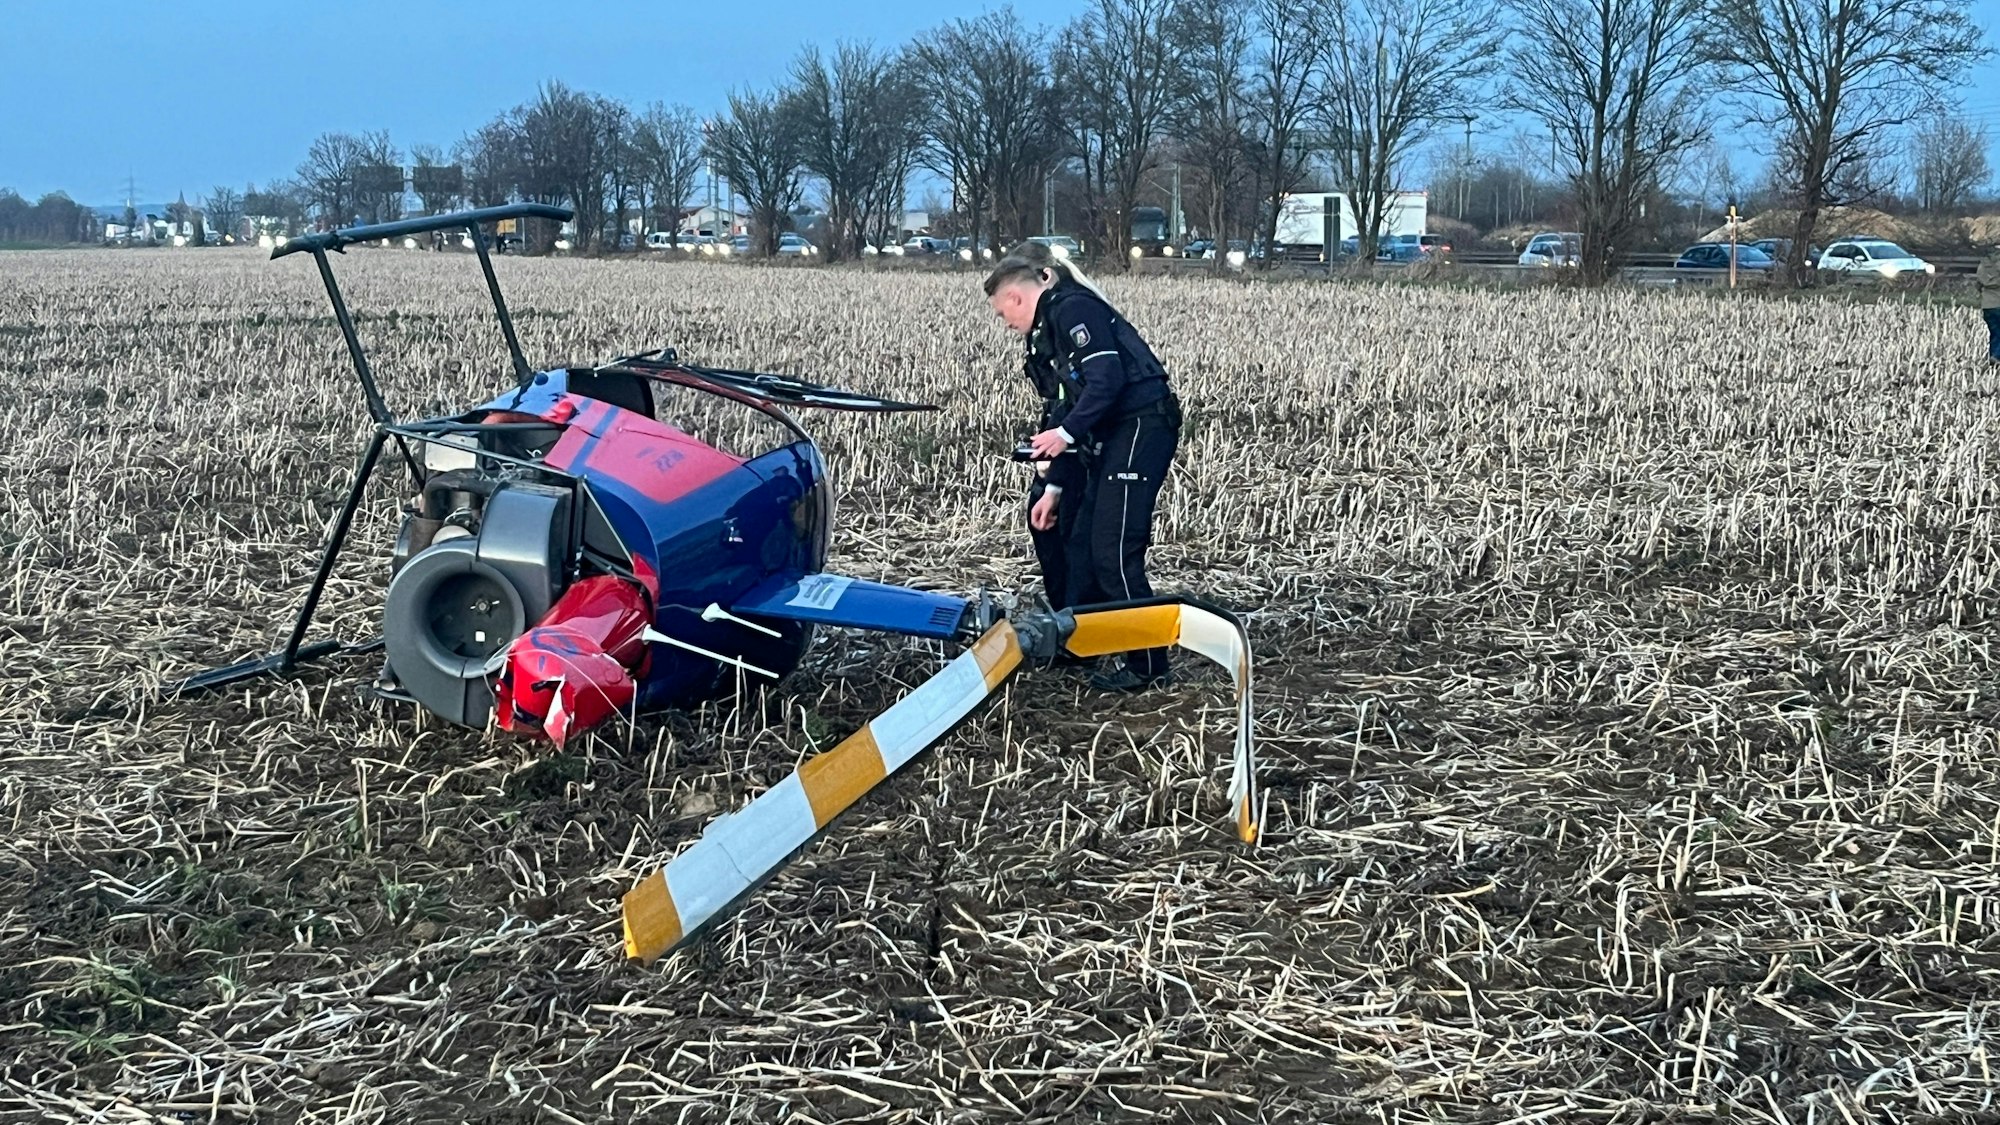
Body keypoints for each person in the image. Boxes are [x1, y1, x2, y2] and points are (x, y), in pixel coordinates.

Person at [985, 244, 1182, 691]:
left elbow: (1107, 379)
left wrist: (1065, 435)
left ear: (1016, 297)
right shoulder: (1050, 327)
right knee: (1077, 540)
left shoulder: (1073, 309)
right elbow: (1064, 404)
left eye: (1003, 314)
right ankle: (1084, 641)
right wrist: (1053, 486)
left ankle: (1148, 666)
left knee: (1113, 551)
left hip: (1141, 429)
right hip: (1112, 436)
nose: (1007, 324)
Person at [1980, 245, 2000, 365]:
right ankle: (1997, 357)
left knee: (1994, 332)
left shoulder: (1983, 265)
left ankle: (1993, 355)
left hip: (1987, 305)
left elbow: (1978, 284)